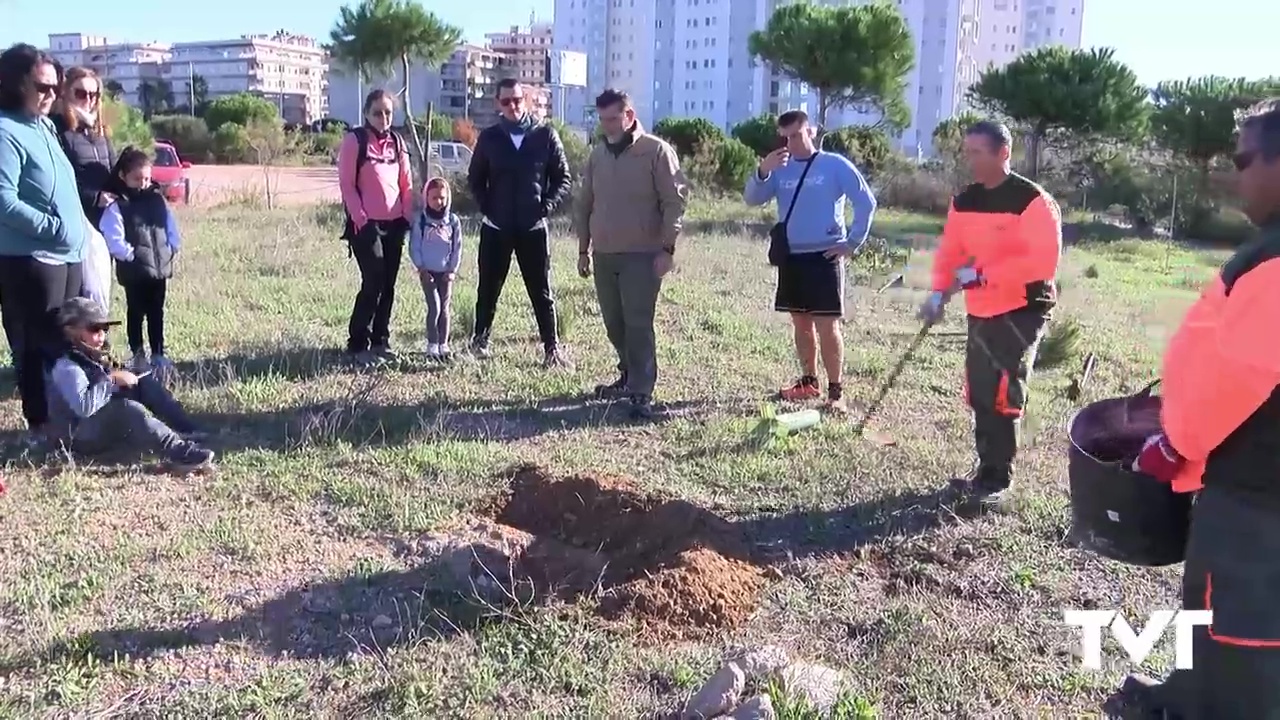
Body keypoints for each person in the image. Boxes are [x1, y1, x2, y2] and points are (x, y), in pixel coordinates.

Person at [1102, 99, 1280, 720]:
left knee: (1242, 625)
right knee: (1217, 611)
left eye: (1243, 159)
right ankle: (1186, 696)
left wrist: (1175, 444)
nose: (1235, 175)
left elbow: (1239, 376)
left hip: (1258, 492)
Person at [916, 120, 1061, 506]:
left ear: (1003, 153)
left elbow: (1041, 263)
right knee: (980, 386)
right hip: (982, 306)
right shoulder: (965, 199)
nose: (971, 159)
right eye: (968, 152)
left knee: (1002, 388)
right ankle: (986, 473)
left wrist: (981, 274)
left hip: (1024, 306)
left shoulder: (1033, 201)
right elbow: (952, 252)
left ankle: (1000, 480)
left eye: (978, 152)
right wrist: (938, 292)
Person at [743, 110, 877, 412]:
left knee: (827, 326)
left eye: (797, 134)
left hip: (824, 256)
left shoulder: (834, 165)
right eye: (785, 136)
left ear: (811, 131)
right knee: (800, 323)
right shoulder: (779, 168)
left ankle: (835, 392)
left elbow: (866, 202)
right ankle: (808, 382)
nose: (791, 142)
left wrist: (852, 242)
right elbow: (752, 198)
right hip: (792, 256)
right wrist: (763, 170)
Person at [575, 89, 688, 420]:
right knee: (614, 323)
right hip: (605, 253)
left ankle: (641, 389)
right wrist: (584, 248)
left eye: (613, 118)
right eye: (603, 119)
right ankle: (627, 375)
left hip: (643, 253)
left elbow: (674, 201)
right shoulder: (598, 155)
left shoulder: (656, 151)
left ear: (629, 115)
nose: (607, 125)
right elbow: (585, 204)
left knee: (638, 322)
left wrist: (668, 248)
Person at [0, 43, 88, 444]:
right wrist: (53, 227)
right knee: (35, 345)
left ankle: (68, 417)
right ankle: (40, 426)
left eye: (56, 87)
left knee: (67, 338)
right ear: (16, 82)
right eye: (42, 86)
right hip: (30, 259)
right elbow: (4, 199)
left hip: (68, 255)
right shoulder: (5, 130)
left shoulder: (46, 127)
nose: (51, 94)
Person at [466, 78, 573, 367]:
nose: (512, 106)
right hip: (496, 228)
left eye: (517, 100)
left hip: (533, 229)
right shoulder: (489, 138)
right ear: (497, 104)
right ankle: (480, 343)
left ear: (524, 100)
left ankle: (552, 350)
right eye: (506, 101)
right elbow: (475, 180)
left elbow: (563, 178)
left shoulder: (545, 135)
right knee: (488, 288)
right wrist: (489, 208)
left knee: (541, 292)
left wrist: (546, 207)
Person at [45, 297, 213, 473]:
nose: (102, 335)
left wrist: (130, 376)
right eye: (94, 328)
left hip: (95, 428)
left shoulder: (92, 357)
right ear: (70, 331)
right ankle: (178, 452)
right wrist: (113, 380)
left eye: (105, 328)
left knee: (145, 384)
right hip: (76, 438)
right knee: (126, 409)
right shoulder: (67, 366)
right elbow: (84, 408)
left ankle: (187, 430)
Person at [337, 88, 412, 367]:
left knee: (389, 284)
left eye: (388, 112)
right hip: (365, 225)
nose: (383, 117)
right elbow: (347, 185)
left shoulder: (397, 142)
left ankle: (381, 339)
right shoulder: (355, 141)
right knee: (374, 280)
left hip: (395, 224)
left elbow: (406, 183)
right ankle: (358, 342)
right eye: (378, 112)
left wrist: (406, 215)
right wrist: (361, 219)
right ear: (367, 114)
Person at [100, 146, 181, 378]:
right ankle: (138, 355)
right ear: (124, 177)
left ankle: (158, 353)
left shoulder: (157, 201)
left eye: (146, 178)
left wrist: (172, 247)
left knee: (157, 312)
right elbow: (113, 235)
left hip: (159, 269)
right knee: (136, 313)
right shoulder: (118, 206)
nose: (143, 183)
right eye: (137, 178)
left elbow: (169, 226)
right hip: (135, 271)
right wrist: (129, 255)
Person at [52, 66, 114, 231]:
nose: (88, 100)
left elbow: (113, 170)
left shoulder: (100, 132)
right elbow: (56, 181)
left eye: (94, 95)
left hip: (106, 220)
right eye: (81, 93)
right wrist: (93, 198)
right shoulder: (57, 129)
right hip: (74, 222)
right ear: (66, 93)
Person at [408, 176, 462, 360]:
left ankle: (443, 344)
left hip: (446, 274)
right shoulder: (421, 221)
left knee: (445, 308)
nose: (439, 202)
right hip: (427, 273)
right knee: (435, 307)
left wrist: (452, 270)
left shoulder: (453, 222)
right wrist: (421, 268)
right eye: (434, 198)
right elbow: (414, 245)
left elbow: (457, 247)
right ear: (426, 199)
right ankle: (432, 344)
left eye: (442, 198)